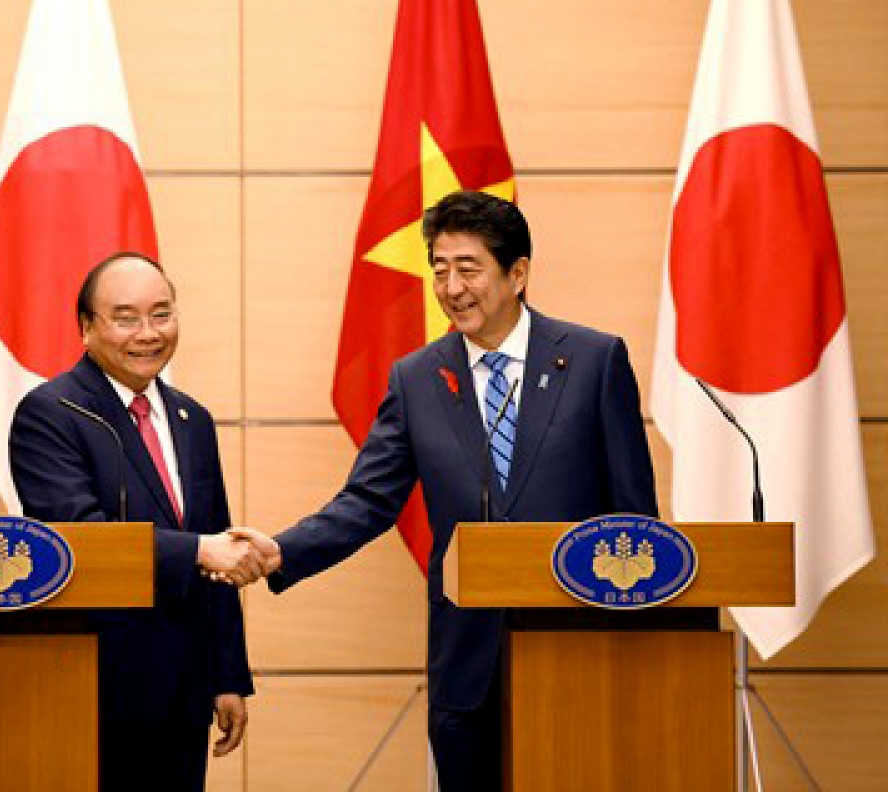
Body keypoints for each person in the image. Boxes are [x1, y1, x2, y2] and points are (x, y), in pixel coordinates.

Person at [227, 191, 661, 791]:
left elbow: (635, 518)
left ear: (517, 273)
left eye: (468, 268)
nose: (451, 287)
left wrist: (639, 647)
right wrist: (282, 550)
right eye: (439, 268)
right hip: (468, 661)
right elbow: (368, 501)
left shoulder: (593, 361)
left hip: (582, 652)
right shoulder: (417, 379)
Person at [9, 252, 261, 791]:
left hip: (186, 690)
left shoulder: (193, 418)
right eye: (125, 318)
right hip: (98, 684)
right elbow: (78, 535)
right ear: (86, 328)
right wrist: (196, 550)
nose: (147, 333)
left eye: (161, 314)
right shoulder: (51, 413)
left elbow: (217, 543)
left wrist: (227, 678)